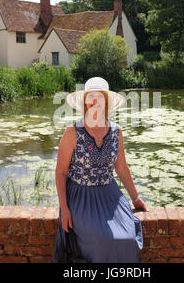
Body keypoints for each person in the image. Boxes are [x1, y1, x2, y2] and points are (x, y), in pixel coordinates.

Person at [53, 77, 148, 263]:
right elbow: (61, 172)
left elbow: (121, 168)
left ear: (106, 102)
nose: (95, 102)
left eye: (100, 97)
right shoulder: (72, 132)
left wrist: (136, 198)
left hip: (110, 195)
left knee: (127, 239)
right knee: (103, 239)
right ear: (85, 103)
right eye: (91, 97)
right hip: (80, 196)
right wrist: (64, 208)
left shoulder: (116, 131)